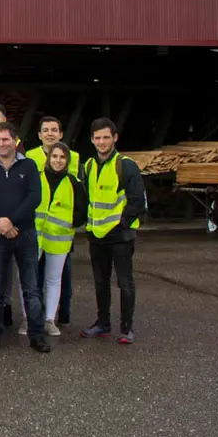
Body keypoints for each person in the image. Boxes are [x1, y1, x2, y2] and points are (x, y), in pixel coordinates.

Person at [0, 122, 50, 353]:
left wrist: (13, 222)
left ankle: (37, 335)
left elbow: (34, 197)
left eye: (5, 140)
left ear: (15, 140)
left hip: (25, 233)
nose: (1, 144)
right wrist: (0, 223)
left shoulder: (29, 166)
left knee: (31, 287)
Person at [80, 118, 145, 344]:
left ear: (115, 138)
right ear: (92, 140)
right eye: (97, 138)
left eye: (106, 137)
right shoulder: (88, 166)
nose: (101, 142)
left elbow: (138, 200)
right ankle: (102, 323)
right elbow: (86, 200)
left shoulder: (126, 165)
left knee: (125, 282)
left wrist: (123, 224)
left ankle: (127, 328)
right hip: (96, 234)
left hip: (120, 236)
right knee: (100, 282)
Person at [25, 115, 80, 326]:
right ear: (39, 135)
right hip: (37, 230)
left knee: (61, 278)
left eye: (53, 130)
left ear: (61, 134)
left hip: (61, 234)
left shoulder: (74, 157)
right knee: (33, 278)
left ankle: (59, 316)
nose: (49, 133)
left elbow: (79, 192)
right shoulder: (30, 156)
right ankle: (34, 317)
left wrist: (74, 221)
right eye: (45, 130)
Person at [33, 142, 86, 336]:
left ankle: (49, 320)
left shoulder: (74, 183)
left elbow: (81, 211)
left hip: (60, 239)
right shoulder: (36, 178)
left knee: (53, 280)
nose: (57, 160)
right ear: (49, 158)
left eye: (62, 157)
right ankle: (28, 319)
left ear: (67, 161)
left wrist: (70, 222)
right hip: (36, 236)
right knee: (28, 278)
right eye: (54, 156)